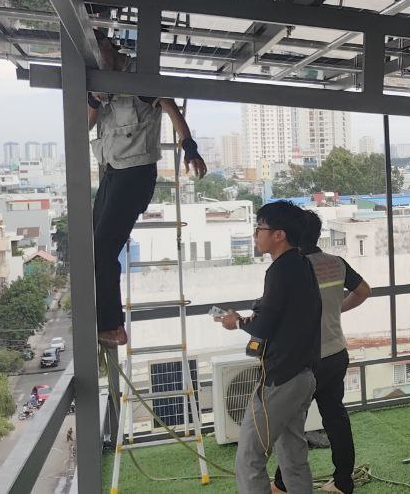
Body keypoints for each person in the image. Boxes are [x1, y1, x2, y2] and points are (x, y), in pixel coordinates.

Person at [89, 31, 207, 347]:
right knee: (91, 246)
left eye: (99, 53)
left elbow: (170, 107)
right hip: (112, 172)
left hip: (135, 174)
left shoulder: (138, 76)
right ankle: (103, 317)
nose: (97, 61)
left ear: (109, 47)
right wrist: (94, 99)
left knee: (103, 249)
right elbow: (86, 123)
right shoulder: (97, 80)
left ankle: (112, 326)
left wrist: (190, 147)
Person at [219, 201, 323, 494]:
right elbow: (280, 317)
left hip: (281, 378)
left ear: (279, 235)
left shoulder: (280, 271)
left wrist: (237, 322)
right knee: (292, 455)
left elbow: (263, 327)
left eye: (259, 229)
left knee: (249, 458)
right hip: (303, 374)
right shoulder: (303, 265)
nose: (255, 235)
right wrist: (254, 317)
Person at [272, 209, 371, 494]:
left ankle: (282, 485)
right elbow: (364, 291)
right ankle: (343, 482)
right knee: (335, 418)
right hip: (336, 352)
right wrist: (337, 308)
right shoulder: (335, 263)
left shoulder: (292, 268)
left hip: (304, 359)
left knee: (292, 424)